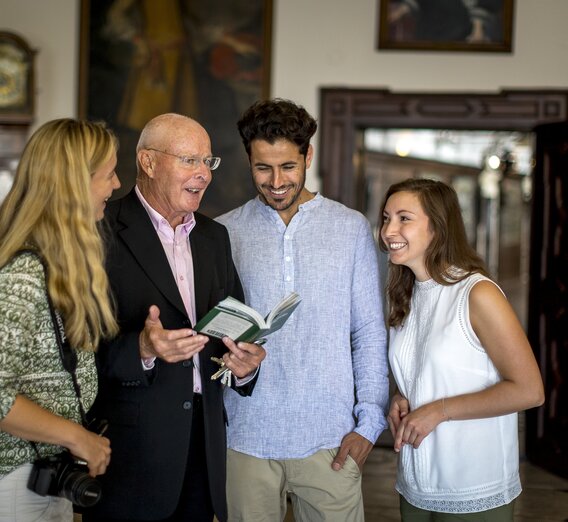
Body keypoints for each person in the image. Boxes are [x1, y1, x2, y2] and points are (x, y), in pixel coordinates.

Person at [82, 112, 266, 522]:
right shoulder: (99, 231)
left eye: (208, 162)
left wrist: (244, 366)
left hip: (203, 448)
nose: (203, 173)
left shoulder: (214, 237)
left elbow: (231, 329)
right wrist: (143, 348)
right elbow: (72, 353)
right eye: (190, 161)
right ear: (148, 162)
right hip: (131, 454)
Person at [216, 98, 389, 521]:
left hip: (330, 438)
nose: (276, 181)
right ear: (248, 161)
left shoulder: (350, 228)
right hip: (244, 438)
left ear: (308, 156)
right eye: (263, 168)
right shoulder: (223, 232)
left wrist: (369, 422)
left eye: (288, 167)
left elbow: (368, 331)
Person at [380, 178, 545, 520]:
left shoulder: (477, 294)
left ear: (438, 228)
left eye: (403, 218)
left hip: (473, 485)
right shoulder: (405, 295)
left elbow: (530, 391)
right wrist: (402, 396)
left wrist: (438, 409)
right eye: (386, 217)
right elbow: (426, 370)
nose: (388, 230)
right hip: (415, 482)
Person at [0, 118, 121, 521]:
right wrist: (76, 437)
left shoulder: (55, 268)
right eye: (108, 174)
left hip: (43, 479)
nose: (117, 184)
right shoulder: (22, 276)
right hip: (14, 482)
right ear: (75, 184)